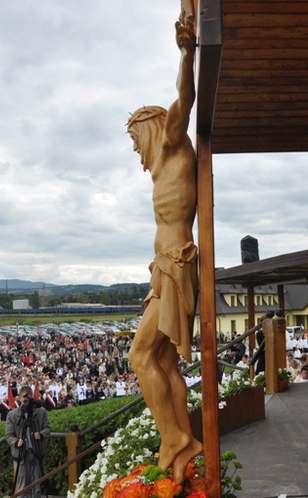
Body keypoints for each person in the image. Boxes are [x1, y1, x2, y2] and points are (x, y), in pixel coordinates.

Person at [125, 10, 201, 485]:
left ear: (150, 127)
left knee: (139, 356)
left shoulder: (173, 141)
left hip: (177, 264)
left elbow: (184, 101)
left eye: (135, 141)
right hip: (164, 271)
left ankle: (171, 435)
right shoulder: (161, 168)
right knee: (166, 360)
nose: (136, 152)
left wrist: (186, 53)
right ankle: (185, 440)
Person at [5, 386, 51, 498]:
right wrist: (16, 442)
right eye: (24, 398)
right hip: (20, 454)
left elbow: (47, 428)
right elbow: (8, 435)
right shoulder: (13, 415)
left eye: (29, 398)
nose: (27, 401)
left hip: (36, 452)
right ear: (19, 399)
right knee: (22, 489)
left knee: (37, 487)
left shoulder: (41, 412)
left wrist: (40, 435)